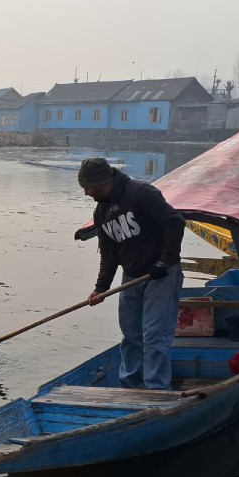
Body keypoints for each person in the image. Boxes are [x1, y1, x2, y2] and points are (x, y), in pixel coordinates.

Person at [74, 157, 186, 390]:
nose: (86, 193)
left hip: (161, 274)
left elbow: (175, 223)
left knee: (154, 334)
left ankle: (157, 389)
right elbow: (109, 255)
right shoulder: (101, 213)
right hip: (132, 275)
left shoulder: (141, 193)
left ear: (102, 182)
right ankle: (130, 384)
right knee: (131, 334)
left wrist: (164, 261)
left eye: (89, 187)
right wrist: (100, 288)